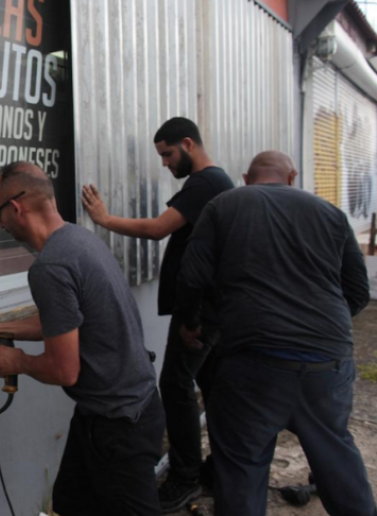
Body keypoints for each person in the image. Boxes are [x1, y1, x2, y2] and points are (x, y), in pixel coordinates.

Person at [0, 161, 164, 515]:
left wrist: (16, 362)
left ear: (16, 208)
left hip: (118, 425)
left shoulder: (50, 267)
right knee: (72, 502)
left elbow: (64, 370)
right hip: (119, 410)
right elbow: (61, 322)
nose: (0, 225)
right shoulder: (79, 240)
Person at [177, 151, 376, 516]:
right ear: (292, 176)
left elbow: (191, 277)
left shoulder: (224, 205)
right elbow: (358, 290)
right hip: (327, 364)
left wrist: (191, 326)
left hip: (254, 365)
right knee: (334, 454)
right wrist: (324, 330)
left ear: (246, 177)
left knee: (242, 467)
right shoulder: (329, 212)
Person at [81, 117, 234, 512]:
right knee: (213, 389)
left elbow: (157, 229)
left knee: (177, 387)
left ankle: (185, 478)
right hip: (210, 309)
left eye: (167, 154)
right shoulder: (212, 184)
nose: (165, 163)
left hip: (199, 313)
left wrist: (103, 220)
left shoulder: (206, 182)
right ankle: (220, 470)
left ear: (188, 143)